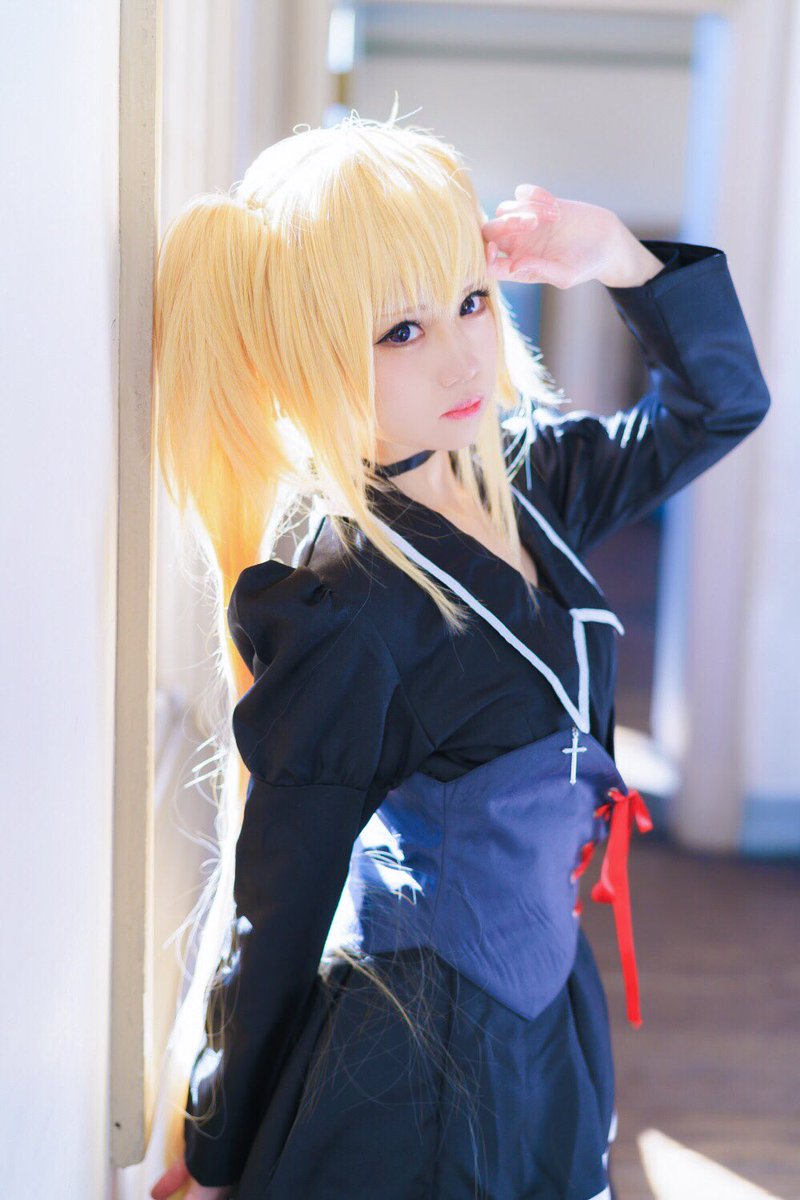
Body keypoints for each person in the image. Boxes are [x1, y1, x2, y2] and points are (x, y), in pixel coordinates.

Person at [149, 105, 770, 1200]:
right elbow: (282, 890)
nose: (462, 353)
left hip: (541, 1005)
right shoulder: (347, 599)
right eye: (402, 330)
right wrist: (213, 1148)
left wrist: (618, 259)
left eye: (471, 300)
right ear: (309, 353)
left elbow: (719, 408)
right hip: (419, 1064)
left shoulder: (517, 478)